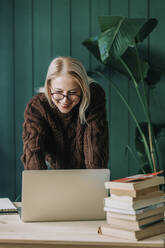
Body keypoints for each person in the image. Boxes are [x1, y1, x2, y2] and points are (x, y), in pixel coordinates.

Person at [21, 56, 109, 170]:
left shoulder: (94, 98)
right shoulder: (37, 107)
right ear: (49, 87)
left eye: (72, 93)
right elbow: (33, 153)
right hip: (55, 175)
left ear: (82, 89)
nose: (65, 100)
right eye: (58, 92)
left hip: (88, 176)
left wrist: (92, 183)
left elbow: (95, 150)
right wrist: (39, 184)